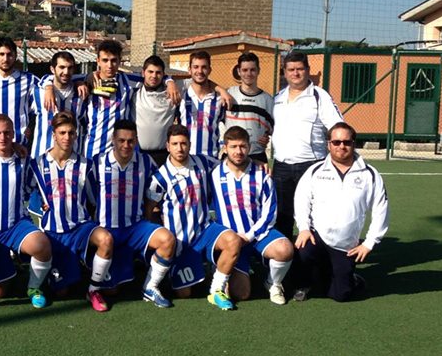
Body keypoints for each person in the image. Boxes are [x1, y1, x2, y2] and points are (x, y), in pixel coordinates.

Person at [147, 125, 242, 310]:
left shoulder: (203, 162)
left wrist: (257, 164)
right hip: (181, 241)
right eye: (175, 144)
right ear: (167, 146)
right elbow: (150, 209)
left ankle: (216, 290)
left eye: (183, 143)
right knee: (185, 294)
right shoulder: (160, 177)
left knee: (233, 241)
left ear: (190, 144)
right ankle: (173, 271)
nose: (180, 148)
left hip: (205, 230)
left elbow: (230, 163)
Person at [293, 122, 389, 302]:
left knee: (341, 295)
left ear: (354, 143)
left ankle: (349, 277)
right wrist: (304, 228)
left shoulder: (370, 174)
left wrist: (369, 243)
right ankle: (305, 283)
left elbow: (381, 210)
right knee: (302, 250)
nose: (341, 146)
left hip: (346, 243)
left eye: (346, 142)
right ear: (328, 144)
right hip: (317, 236)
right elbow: (301, 200)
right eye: (336, 142)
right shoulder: (315, 171)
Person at [31, 111, 115, 312]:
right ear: (54, 134)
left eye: (71, 133)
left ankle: (93, 289)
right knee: (61, 292)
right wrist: (41, 206)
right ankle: (45, 281)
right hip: (53, 232)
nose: (67, 137)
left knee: (106, 240)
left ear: (77, 135)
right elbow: (30, 193)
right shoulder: (37, 163)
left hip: (80, 228)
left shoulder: (85, 165)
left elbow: (94, 197)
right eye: (62, 133)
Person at [87, 119, 176, 308]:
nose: (126, 145)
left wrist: (151, 212)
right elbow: (86, 194)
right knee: (112, 290)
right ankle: (93, 278)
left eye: (130, 141)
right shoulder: (97, 163)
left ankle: (150, 287)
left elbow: (156, 188)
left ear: (136, 141)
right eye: (121, 140)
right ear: (113, 139)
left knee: (167, 240)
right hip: (107, 231)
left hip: (135, 228)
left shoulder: (145, 161)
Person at [0, 114, 53, 308]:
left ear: (13, 134)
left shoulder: (24, 160)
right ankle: (7, 265)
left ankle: (34, 287)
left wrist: (45, 203)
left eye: (7, 133)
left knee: (42, 245)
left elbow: (38, 183)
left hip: (17, 225)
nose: (2, 137)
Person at [209, 126, 294, 305]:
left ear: (249, 147)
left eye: (242, 146)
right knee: (241, 294)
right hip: (232, 241)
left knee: (285, 249)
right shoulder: (214, 174)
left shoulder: (261, 173)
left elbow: (270, 213)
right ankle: (223, 265)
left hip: (257, 235)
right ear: (225, 148)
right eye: (233, 147)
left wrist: (248, 236)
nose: (238, 151)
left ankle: (273, 283)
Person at [67, 39, 180, 160]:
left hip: (122, 151)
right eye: (105, 60)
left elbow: (151, 76)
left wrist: (170, 81)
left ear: (119, 61)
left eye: (114, 60)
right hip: (94, 151)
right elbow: (60, 78)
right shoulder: (86, 81)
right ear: (98, 61)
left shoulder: (127, 80)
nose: (109, 65)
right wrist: (48, 87)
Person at [271, 50, 343, 238]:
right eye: (291, 69)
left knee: (313, 217)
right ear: (285, 73)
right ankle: (285, 261)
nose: (295, 73)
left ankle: (313, 262)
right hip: (281, 167)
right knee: (281, 217)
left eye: (300, 69)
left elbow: (337, 128)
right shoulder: (277, 98)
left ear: (308, 70)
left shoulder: (320, 96)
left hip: (311, 166)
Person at [0, 37, 38, 147]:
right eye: (1, 54)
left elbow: (38, 106)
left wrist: (31, 127)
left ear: (15, 56)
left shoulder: (29, 80)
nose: (5, 59)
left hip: (19, 144)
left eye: (9, 54)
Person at [226, 51, 275, 163]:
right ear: (238, 71)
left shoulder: (267, 99)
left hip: (257, 155)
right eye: (245, 70)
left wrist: (266, 136)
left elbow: (274, 128)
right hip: (232, 155)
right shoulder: (229, 94)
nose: (249, 74)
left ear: (258, 71)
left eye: (252, 70)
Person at [177, 51, 227, 158]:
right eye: (196, 67)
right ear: (189, 69)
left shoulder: (219, 100)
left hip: (211, 160)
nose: (200, 71)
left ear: (209, 70)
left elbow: (233, 125)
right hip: (186, 159)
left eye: (204, 67)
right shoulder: (181, 97)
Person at [131, 55, 176, 166]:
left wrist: (221, 90)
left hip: (164, 155)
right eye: (150, 72)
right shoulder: (135, 90)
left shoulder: (173, 92)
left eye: (158, 73)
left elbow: (198, 81)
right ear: (143, 73)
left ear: (163, 74)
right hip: (139, 154)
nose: (154, 76)